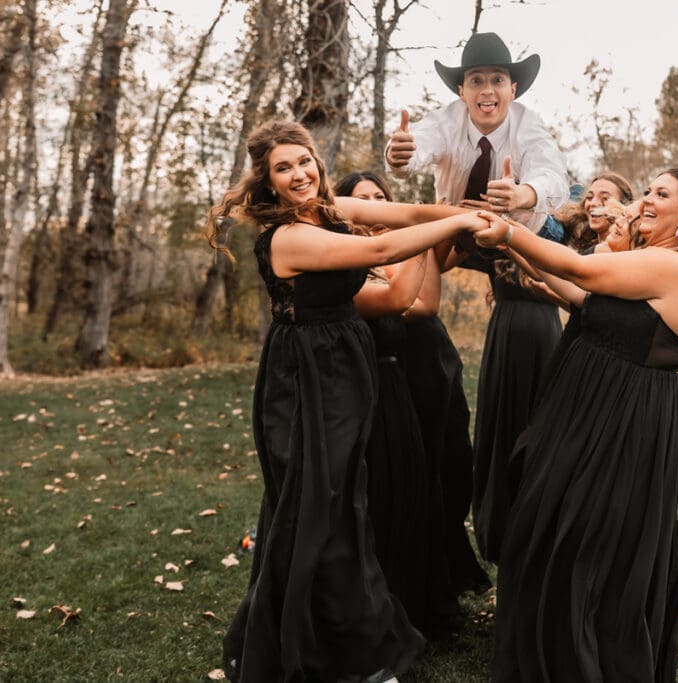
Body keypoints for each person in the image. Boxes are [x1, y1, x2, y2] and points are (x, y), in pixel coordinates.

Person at [207, 120, 488, 683]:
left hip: (345, 369)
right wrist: (457, 220)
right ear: (268, 182)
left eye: (303, 161)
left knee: (344, 505)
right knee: (319, 508)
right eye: (283, 169)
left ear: (317, 161)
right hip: (306, 379)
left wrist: (464, 212)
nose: (299, 174)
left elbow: (405, 217)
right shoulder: (287, 237)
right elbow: (384, 248)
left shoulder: (330, 210)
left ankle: (349, 640)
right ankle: (332, 651)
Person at [474, 168, 678, 682]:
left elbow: (581, 271)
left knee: (587, 544)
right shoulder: (646, 259)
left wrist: (508, 231)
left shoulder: (674, 266)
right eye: (648, 191)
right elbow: (582, 297)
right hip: (597, 415)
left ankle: (584, 662)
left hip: (628, 426)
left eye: (662, 194)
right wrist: (518, 248)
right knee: (548, 530)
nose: (648, 199)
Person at [384, 31, 571, 567]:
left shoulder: (528, 125)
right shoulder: (447, 119)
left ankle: (529, 507)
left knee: (537, 308)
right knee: (415, 270)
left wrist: (525, 195)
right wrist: (400, 156)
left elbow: (553, 173)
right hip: (460, 228)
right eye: (475, 81)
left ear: (512, 87)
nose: (486, 91)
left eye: (496, 80)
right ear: (462, 90)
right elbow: (416, 146)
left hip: (521, 237)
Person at [333, 170, 461, 633]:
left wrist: (426, 227)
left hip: (405, 385)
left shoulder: (391, 250)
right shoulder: (342, 261)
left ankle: (411, 599)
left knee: (414, 490)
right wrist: (422, 232)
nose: (373, 207)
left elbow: (425, 303)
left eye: (379, 198)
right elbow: (405, 301)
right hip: (358, 394)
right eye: (361, 200)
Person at [555, 171, 635, 251]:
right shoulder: (576, 239)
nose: (593, 203)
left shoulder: (626, 250)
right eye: (589, 197)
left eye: (605, 198)